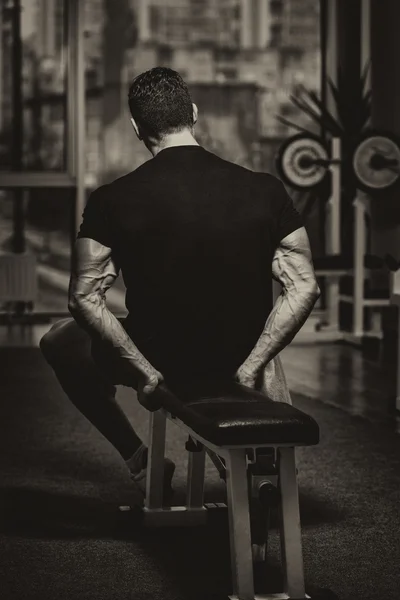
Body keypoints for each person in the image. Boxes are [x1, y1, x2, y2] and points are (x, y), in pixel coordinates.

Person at [40, 67, 320, 502]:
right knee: (260, 355)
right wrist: (250, 366)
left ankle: (139, 461)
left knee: (59, 341)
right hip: (237, 356)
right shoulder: (265, 189)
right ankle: (250, 454)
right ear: (194, 114)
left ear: (136, 129)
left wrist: (145, 372)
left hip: (161, 359)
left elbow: (83, 298)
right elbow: (304, 287)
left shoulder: (112, 199)